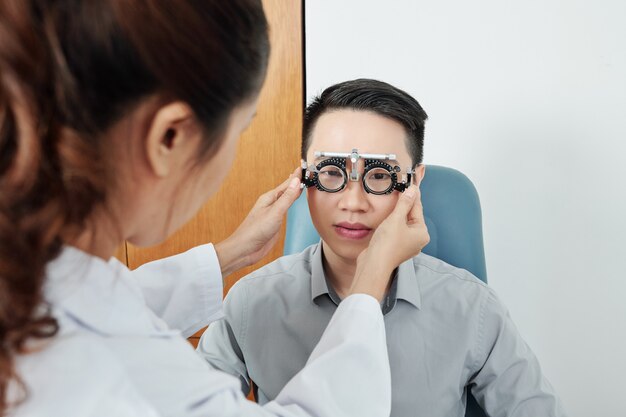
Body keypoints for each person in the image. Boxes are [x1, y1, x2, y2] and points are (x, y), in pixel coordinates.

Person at [0, 2, 429, 416]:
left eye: (377, 176)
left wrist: (233, 252)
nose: (353, 201)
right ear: (169, 137)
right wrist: (371, 279)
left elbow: (104, 302)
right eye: (239, 131)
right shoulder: (234, 312)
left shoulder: (54, 280)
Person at [197, 79, 568, 417]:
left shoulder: (472, 309)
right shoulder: (251, 302)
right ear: (303, 177)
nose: (353, 202)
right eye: (330, 171)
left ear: (415, 181)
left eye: (380, 175)